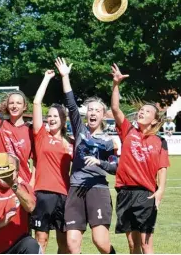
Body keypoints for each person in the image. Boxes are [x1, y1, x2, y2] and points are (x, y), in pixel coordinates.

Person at [55, 57, 117, 254]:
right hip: (76, 189)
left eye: (97, 110)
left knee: (100, 242)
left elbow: (115, 168)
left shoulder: (109, 141)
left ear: (103, 115)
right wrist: (65, 76)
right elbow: (71, 104)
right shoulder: (80, 129)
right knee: (72, 244)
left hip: (97, 190)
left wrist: (99, 161)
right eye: (90, 110)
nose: (92, 113)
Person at [110, 63, 170, 254]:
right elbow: (115, 108)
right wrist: (116, 84)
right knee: (132, 243)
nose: (142, 112)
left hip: (145, 194)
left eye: (147, 111)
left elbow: (162, 168)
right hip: (125, 192)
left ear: (154, 119)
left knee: (146, 244)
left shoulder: (159, 141)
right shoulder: (128, 130)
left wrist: (160, 190)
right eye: (141, 110)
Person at [31, 70, 72, 253]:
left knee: (64, 242)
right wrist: (46, 78)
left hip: (64, 195)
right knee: (41, 239)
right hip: (42, 194)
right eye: (50, 116)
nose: (52, 118)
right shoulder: (41, 136)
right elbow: (37, 102)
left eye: (57, 116)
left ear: (63, 121)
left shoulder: (71, 143)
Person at [0, 90, 34, 184]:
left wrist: (32, 182)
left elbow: (36, 161)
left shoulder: (30, 130)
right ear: (7, 106)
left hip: (22, 182)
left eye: (18, 103)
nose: (14, 106)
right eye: (11, 103)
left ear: (25, 107)